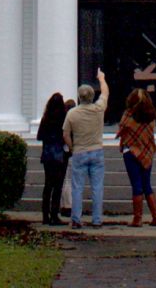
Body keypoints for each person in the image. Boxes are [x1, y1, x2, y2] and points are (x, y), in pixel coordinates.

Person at [62, 68, 108, 228]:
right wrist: (101, 79)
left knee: (77, 188)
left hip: (79, 152)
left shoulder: (72, 114)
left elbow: (66, 134)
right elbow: (105, 94)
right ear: (92, 96)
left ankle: (76, 219)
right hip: (96, 151)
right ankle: (96, 219)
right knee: (97, 188)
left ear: (79, 97)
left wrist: (72, 148)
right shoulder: (98, 110)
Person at [116, 88, 156, 226]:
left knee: (136, 185)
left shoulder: (128, 115)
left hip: (130, 152)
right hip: (147, 152)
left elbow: (122, 129)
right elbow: (149, 134)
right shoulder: (151, 116)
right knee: (147, 184)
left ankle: (137, 219)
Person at [36, 92, 69, 226]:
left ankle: (45, 215)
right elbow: (66, 135)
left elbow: (39, 136)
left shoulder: (46, 118)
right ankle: (54, 215)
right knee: (58, 186)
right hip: (60, 155)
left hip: (48, 155)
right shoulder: (63, 118)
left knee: (48, 185)